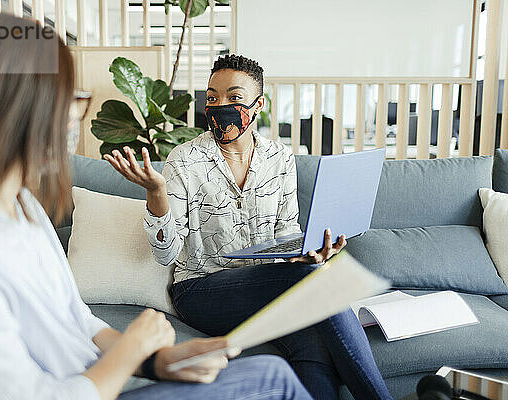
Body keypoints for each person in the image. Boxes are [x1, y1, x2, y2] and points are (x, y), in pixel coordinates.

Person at [0, 15, 314, 400]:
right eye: (65, 102)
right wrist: (132, 349)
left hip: (99, 384)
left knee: (285, 357)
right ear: (10, 111)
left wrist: (156, 361)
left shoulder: (22, 205)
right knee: (272, 375)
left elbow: (76, 319)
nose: (72, 121)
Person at [105, 54, 393, 400]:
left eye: (234, 97)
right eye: (212, 98)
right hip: (201, 291)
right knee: (320, 284)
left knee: (313, 343)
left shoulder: (281, 158)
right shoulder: (185, 160)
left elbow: (286, 233)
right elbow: (165, 253)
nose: (220, 106)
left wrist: (306, 255)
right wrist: (156, 193)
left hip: (265, 290)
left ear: (258, 106)